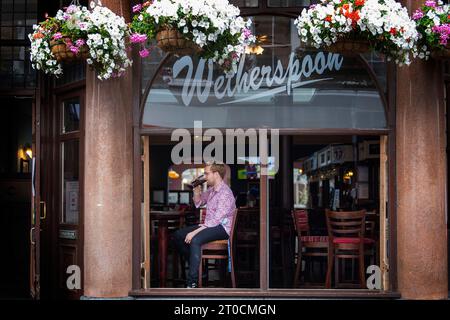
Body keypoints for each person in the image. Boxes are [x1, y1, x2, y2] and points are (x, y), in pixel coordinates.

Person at [172, 162, 236, 288]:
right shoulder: (212, 190)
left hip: (222, 228)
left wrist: (194, 232)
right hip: (210, 225)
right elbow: (199, 203)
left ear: (216, 174)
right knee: (177, 235)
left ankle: (192, 282)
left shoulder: (225, 193)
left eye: (207, 173)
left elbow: (216, 221)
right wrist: (196, 191)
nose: (204, 176)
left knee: (195, 240)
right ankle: (199, 269)